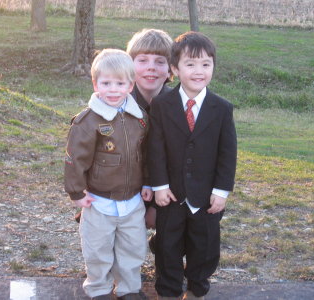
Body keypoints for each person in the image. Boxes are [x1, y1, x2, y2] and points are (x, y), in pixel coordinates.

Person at [148, 31, 237, 300]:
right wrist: (160, 186)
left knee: (205, 246)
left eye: (205, 64)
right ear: (174, 69)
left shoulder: (221, 108)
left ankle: (197, 287)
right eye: (190, 64)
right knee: (167, 244)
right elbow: (155, 148)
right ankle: (168, 289)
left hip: (206, 195)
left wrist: (221, 192)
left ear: (213, 67)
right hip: (171, 194)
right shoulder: (161, 105)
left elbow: (227, 153)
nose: (199, 71)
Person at [64, 49, 153, 300]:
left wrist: (147, 181)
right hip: (98, 201)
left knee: (132, 248)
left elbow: (146, 154)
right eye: (106, 83)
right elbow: (74, 160)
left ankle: (128, 288)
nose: (113, 89)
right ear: (95, 84)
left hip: (132, 201)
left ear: (131, 85)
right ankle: (99, 289)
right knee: (98, 250)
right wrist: (76, 192)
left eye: (120, 83)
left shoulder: (140, 119)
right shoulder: (88, 121)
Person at [126, 28, 173, 232]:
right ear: (129, 65)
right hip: (121, 186)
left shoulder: (177, 107)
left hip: (163, 188)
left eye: (160, 61)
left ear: (171, 69)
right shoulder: (116, 102)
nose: (151, 68)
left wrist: (155, 207)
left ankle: (163, 243)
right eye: (142, 60)